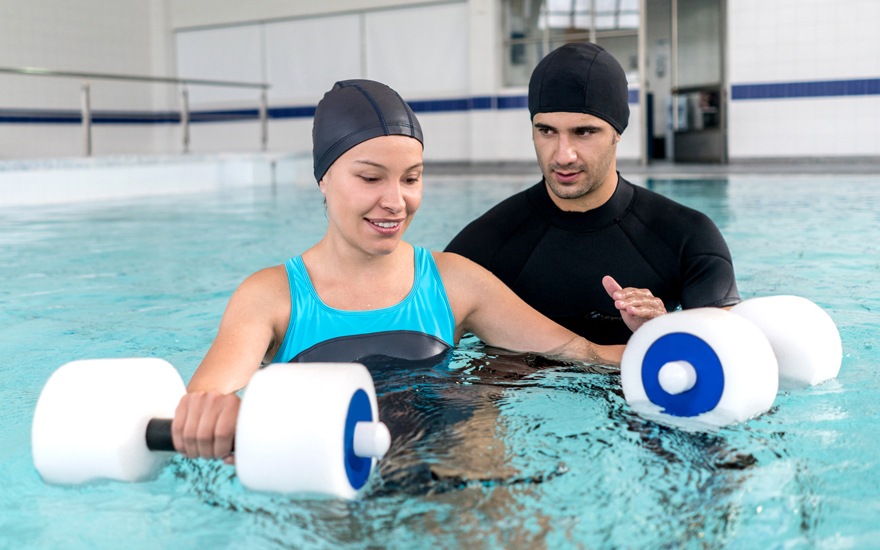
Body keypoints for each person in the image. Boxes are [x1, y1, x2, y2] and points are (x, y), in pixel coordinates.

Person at [171, 79, 625, 463]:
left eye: (411, 178)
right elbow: (205, 399)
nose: (395, 201)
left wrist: (662, 343)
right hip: (329, 474)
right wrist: (213, 416)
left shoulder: (454, 282)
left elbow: (581, 353)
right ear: (323, 178)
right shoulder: (272, 296)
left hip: (451, 461)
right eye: (370, 179)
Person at [445, 43, 740, 345]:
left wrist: (665, 332)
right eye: (546, 131)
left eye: (583, 132)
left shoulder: (688, 238)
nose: (563, 155)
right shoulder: (484, 245)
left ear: (617, 131)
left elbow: (731, 359)